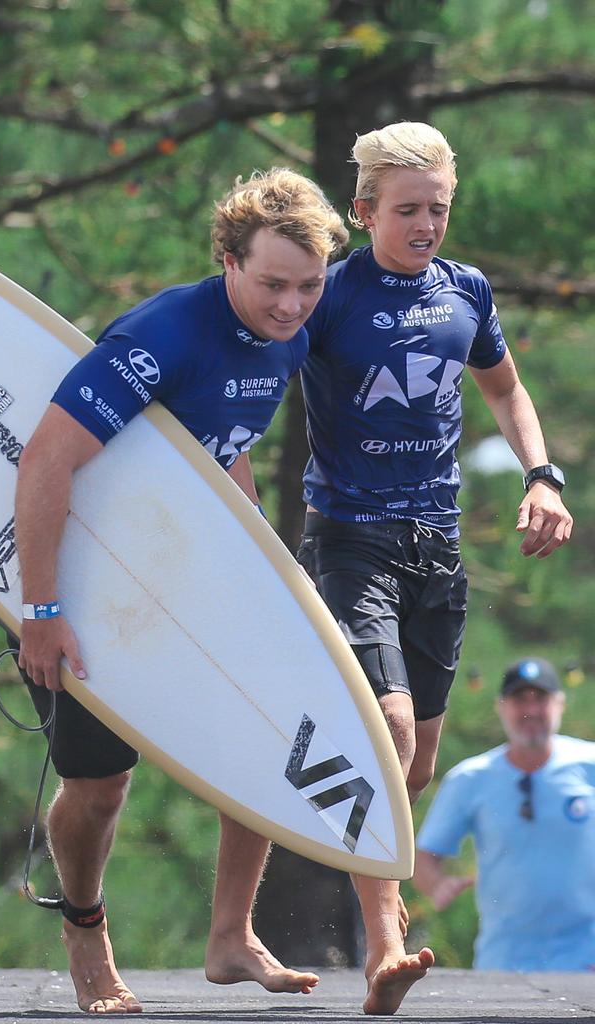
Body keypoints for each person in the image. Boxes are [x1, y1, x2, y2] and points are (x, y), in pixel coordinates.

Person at [13, 167, 349, 1014]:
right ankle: (85, 930)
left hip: (190, 571)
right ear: (228, 261)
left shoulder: (289, 337)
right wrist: (42, 610)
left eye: (309, 287)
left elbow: (214, 442)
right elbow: (47, 457)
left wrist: (254, 545)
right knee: (100, 788)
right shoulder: (162, 335)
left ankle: (231, 936)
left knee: (268, 731)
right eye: (273, 284)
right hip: (90, 582)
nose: (291, 305)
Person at [296, 122, 573, 1014]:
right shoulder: (329, 297)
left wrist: (541, 474)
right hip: (349, 538)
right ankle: (383, 946)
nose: (426, 225)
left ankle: (369, 867)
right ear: (364, 209)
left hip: (435, 547)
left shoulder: (468, 291)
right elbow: (257, 380)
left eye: (439, 210)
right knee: (393, 735)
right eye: (408, 209)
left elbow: (504, 386)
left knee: (416, 771)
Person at [414, 657, 595, 971]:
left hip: (586, 958)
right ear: (501, 707)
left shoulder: (589, 765)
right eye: (519, 699)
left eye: (541, 698)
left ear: (561, 703)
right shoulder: (470, 778)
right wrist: (437, 885)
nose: (531, 710)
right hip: (504, 961)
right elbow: (423, 858)